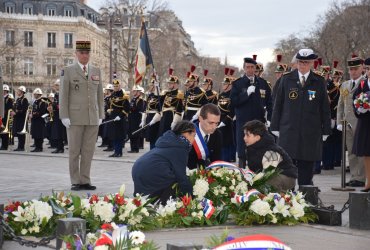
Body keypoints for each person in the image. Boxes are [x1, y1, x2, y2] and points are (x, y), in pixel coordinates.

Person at [271, 48, 331, 186]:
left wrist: (326, 129)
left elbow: (324, 108)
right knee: (286, 171)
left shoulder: (319, 81)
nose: (302, 65)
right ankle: (287, 203)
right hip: (288, 131)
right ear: (297, 62)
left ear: (312, 63)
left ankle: (305, 201)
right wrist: (275, 126)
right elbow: (278, 104)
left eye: (306, 62)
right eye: (300, 62)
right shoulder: (286, 79)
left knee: (306, 173)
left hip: (310, 132)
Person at [59, 40, 104, 191]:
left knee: (88, 150)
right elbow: (64, 95)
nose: (85, 56)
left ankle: (85, 179)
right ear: (76, 54)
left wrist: (101, 114)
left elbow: (99, 95)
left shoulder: (96, 71)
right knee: (74, 150)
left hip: (92, 117)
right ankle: (75, 180)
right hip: (74, 117)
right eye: (82, 53)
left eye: (87, 53)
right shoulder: (68, 70)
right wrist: (64, 115)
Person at [132, 120, 195, 205]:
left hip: (138, 168)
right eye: (194, 136)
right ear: (187, 133)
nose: (194, 140)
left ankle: (147, 205)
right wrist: (191, 197)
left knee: (168, 179)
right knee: (175, 183)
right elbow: (181, 177)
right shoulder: (181, 146)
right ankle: (164, 209)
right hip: (151, 172)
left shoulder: (170, 139)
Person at [230, 56, 273, 168]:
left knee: (258, 149)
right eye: (247, 67)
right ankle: (242, 174)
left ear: (255, 68)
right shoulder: (237, 84)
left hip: (258, 121)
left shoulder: (263, 83)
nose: (250, 69)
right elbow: (233, 102)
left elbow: (270, 103)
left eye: (252, 67)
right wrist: (246, 94)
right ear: (244, 68)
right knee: (242, 151)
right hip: (243, 121)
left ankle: (257, 176)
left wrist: (269, 119)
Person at [336, 55, 366, 187]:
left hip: (361, 123)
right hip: (347, 124)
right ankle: (354, 176)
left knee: (362, 152)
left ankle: (363, 177)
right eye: (351, 69)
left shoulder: (366, 82)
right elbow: (340, 105)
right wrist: (339, 122)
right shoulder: (345, 85)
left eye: (356, 68)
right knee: (352, 152)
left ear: (362, 68)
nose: (353, 72)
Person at [244, 120, 297, 192]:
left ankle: (277, 199)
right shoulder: (252, 148)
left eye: (247, 135)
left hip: (285, 176)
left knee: (269, 182)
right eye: (244, 135)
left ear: (257, 137)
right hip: (266, 175)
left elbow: (268, 174)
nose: (244, 138)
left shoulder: (271, 150)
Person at [352, 57, 370, 192]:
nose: (369, 72)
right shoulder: (363, 84)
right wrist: (359, 107)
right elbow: (356, 98)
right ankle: (368, 181)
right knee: (366, 154)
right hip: (366, 122)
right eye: (368, 69)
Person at [188, 103, 222, 169]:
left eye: (217, 123)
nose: (214, 127)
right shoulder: (188, 133)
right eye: (211, 123)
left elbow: (216, 160)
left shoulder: (218, 134)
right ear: (200, 119)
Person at [156, 69, 184, 137]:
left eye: (171, 83)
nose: (169, 84)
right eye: (168, 83)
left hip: (171, 117)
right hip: (164, 117)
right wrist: (157, 87)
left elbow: (179, 109)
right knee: (162, 135)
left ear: (176, 84)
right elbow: (158, 104)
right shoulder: (166, 93)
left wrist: (174, 122)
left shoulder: (179, 94)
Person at [106, 80, 130, 157]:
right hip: (113, 117)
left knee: (119, 136)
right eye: (114, 86)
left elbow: (127, 108)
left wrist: (120, 116)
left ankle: (119, 152)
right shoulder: (113, 94)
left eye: (117, 86)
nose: (115, 88)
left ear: (120, 86)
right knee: (114, 135)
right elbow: (111, 105)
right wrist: (109, 110)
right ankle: (116, 151)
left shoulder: (123, 95)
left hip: (120, 118)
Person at [217, 68, 236, 162]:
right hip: (220, 120)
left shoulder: (232, 95)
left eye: (225, 84)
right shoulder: (221, 95)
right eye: (223, 83)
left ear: (230, 85)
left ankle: (228, 161)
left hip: (228, 121)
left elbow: (232, 110)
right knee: (221, 142)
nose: (223, 85)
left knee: (228, 142)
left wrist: (225, 121)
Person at [142, 75, 161, 149]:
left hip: (155, 119)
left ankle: (154, 152)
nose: (150, 86)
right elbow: (145, 108)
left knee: (154, 137)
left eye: (151, 85)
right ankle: (151, 151)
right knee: (150, 137)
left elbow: (160, 109)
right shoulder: (149, 96)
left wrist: (154, 119)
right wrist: (143, 120)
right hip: (149, 117)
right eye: (150, 85)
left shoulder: (159, 96)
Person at [128, 85, 145, 153]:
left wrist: (132, 109)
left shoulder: (140, 100)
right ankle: (132, 148)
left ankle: (136, 148)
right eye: (133, 91)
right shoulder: (133, 99)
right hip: (131, 118)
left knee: (136, 134)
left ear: (138, 92)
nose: (133, 92)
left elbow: (139, 109)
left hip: (137, 118)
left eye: (135, 91)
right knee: (131, 133)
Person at [11, 86, 29, 151]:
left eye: (18, 91)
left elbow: (24, 110)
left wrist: (16, 112)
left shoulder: (24, 99)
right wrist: (13, 112)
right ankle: (19, 146)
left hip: (22, 119)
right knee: (18, 133)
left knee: (21, 133)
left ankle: (21, 147)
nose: (17, 92)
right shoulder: (18, 99)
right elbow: (15, 107)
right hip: (17, 119)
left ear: (21, 92)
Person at [30, 88, 47, 152]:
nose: (34, 95)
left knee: (39, 135)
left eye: (35, 94)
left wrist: (34, 115)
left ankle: (39, 147)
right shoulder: (35, 101)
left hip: (39, 121)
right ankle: (37, 146)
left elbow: (42, 112)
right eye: (34, 94)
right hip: (35, 121)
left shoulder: (42, 102)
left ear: (39, 94)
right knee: (35, 134)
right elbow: (34, 110)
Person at [0, 84, 14, 150]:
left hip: (6, 117)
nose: (3, 91)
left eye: (5, 90)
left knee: (5, 132)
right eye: (3, 90)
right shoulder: (1, 98)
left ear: (7, 91)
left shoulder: (9, 99)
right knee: (1, 131)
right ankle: (2, 144)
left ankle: (5, 146)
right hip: (1, 116)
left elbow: (10, 108)